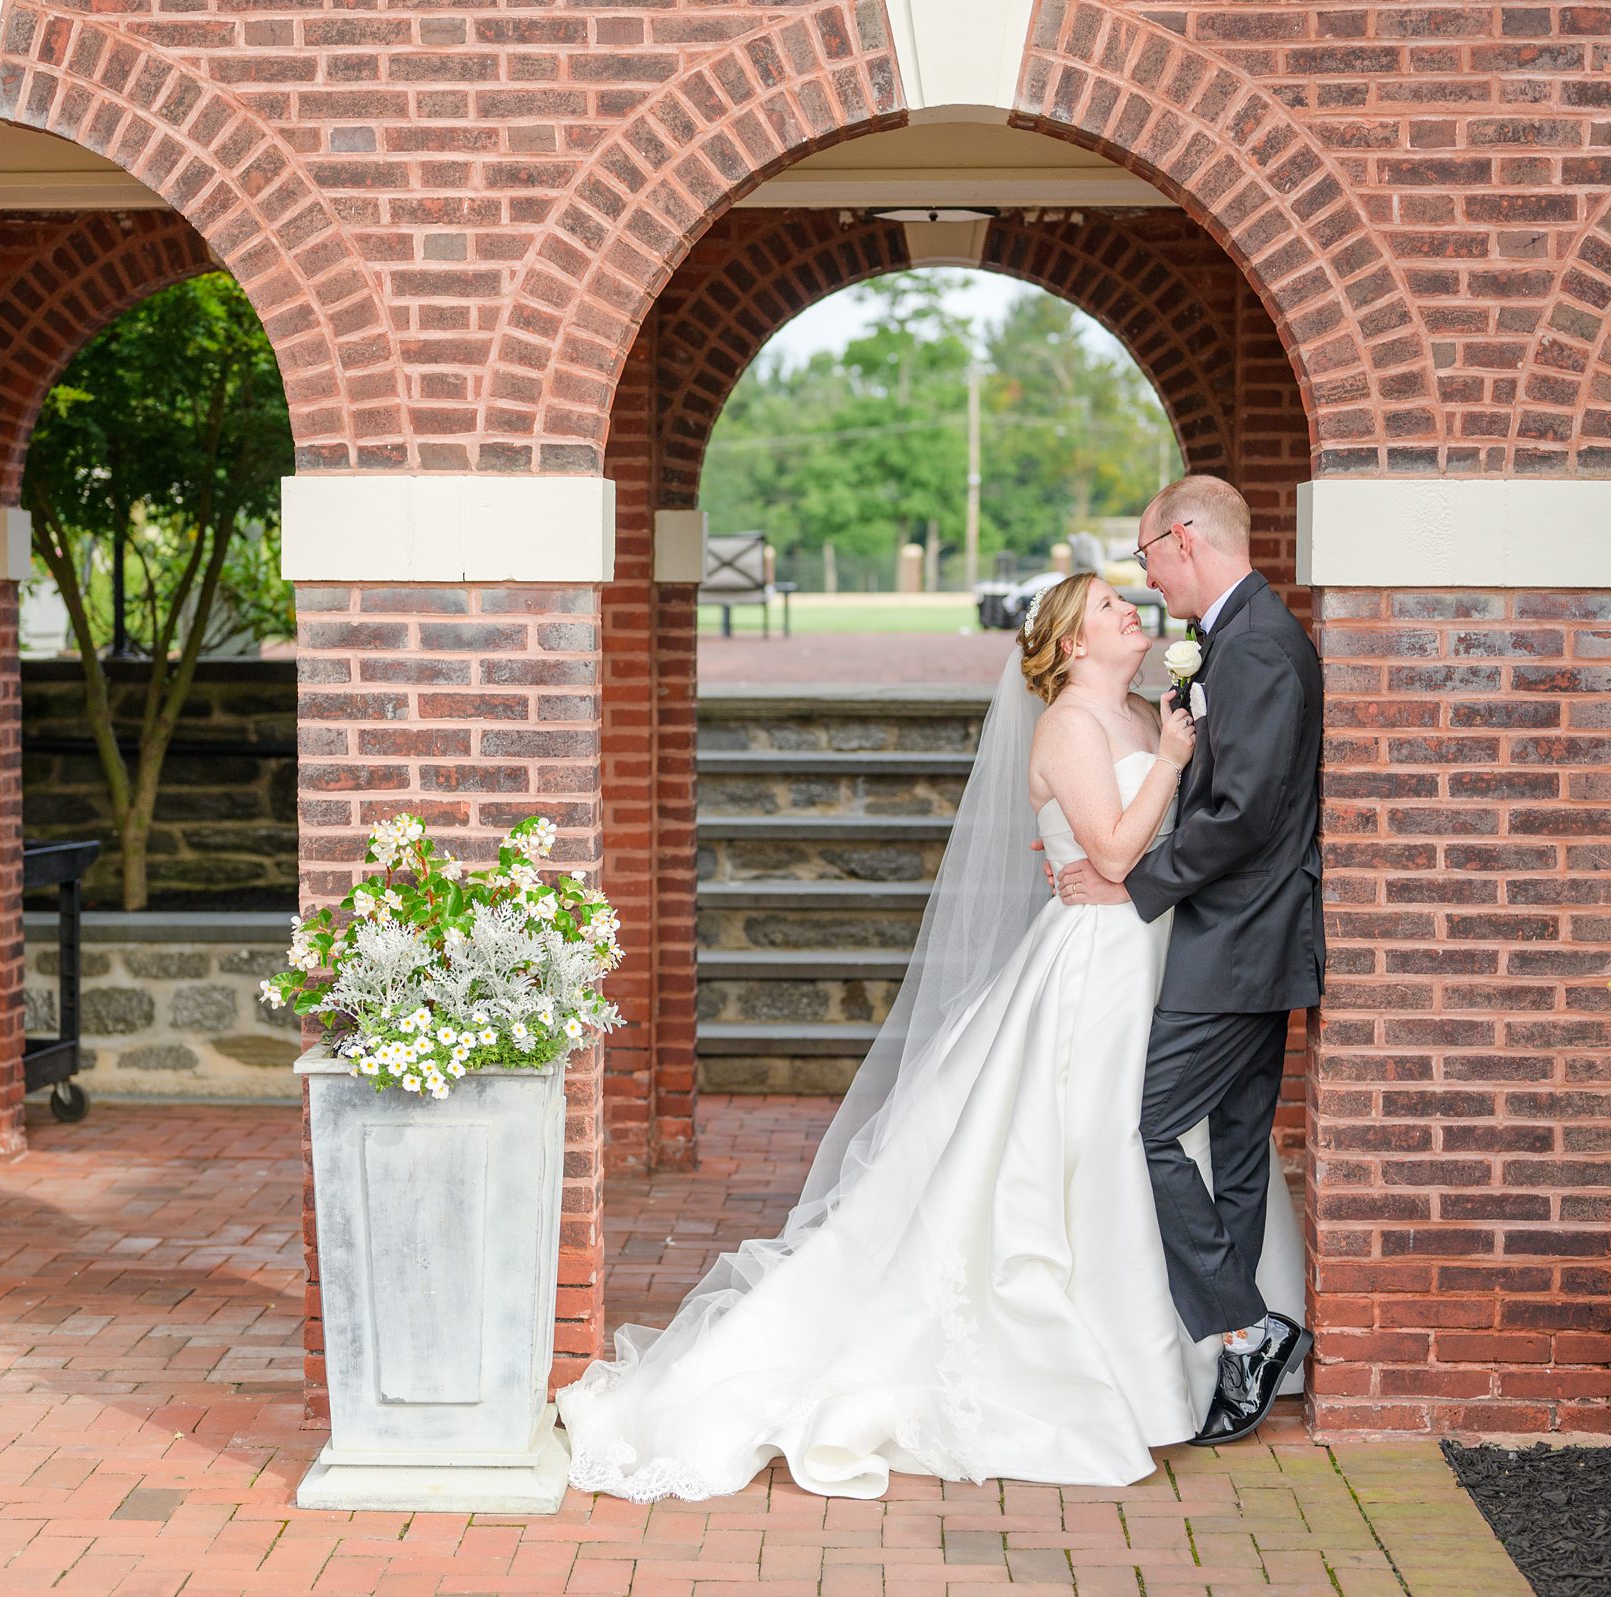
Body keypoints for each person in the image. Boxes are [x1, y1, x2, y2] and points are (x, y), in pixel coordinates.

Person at [556, 564, 1305, 1503]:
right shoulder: (1070, 725)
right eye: (1113, 606)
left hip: (1157, 951)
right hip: (1098, 962)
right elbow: (1112, 850)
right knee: (1095, 1140)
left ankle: (1204, 1352)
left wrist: (1169, 755)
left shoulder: (1153, 710)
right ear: (1075, 641)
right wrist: (1166, 765)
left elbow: (1164, 838)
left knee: (1150, 1134)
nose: (1132, 611)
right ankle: (1148, 1359)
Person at [1051, 474, 1323, 1444]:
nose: (1145, 574)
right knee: (1239, 1152)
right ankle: (1237, 1353)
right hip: (1252, 942)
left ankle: (1242, 1327)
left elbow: (1243, 814)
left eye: (1145, 554)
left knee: (1151, 1125)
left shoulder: (1254, 647)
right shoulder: (1245, 638)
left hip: (1233, 943)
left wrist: (1135, 882)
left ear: (1184, 539)